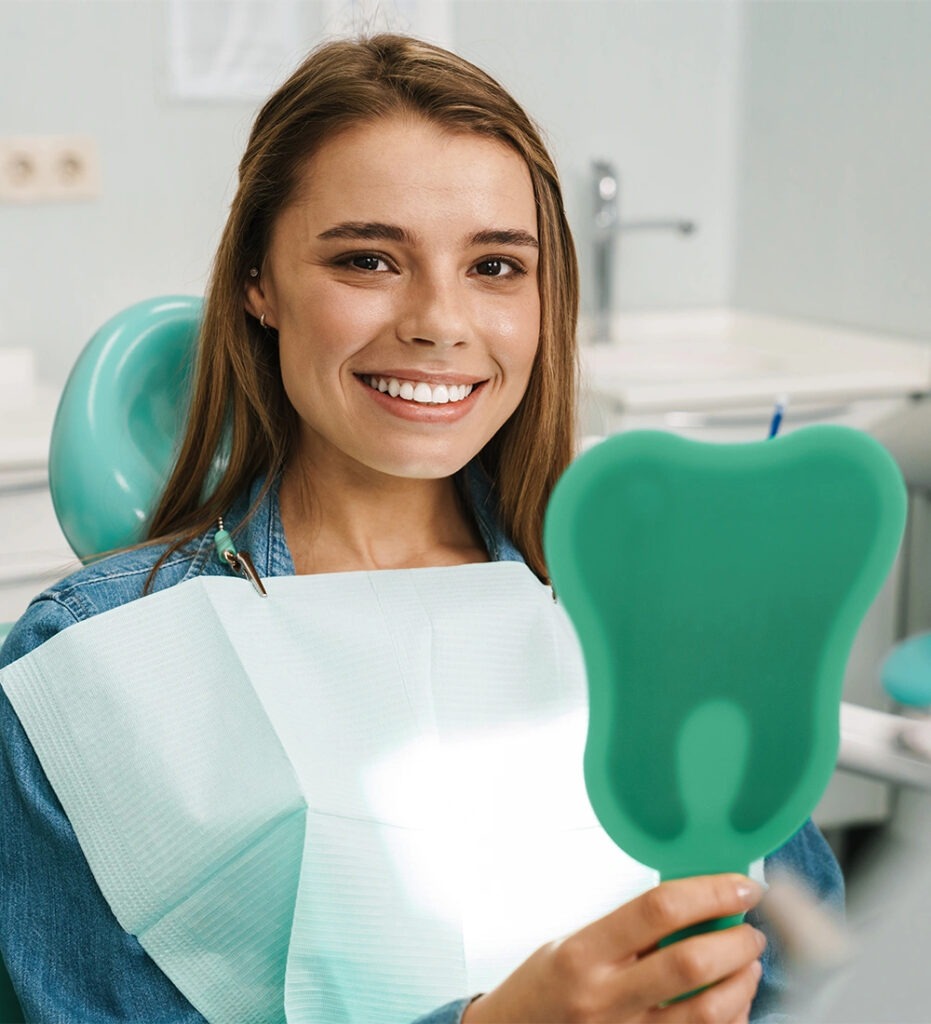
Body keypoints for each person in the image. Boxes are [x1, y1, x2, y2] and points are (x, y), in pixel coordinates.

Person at [0, 33, 841, 1024]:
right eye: (368, 258)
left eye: (494, 265)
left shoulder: (648, 618)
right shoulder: (88, 668)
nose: (440, 321)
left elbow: (813, 962)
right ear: (256, 283)